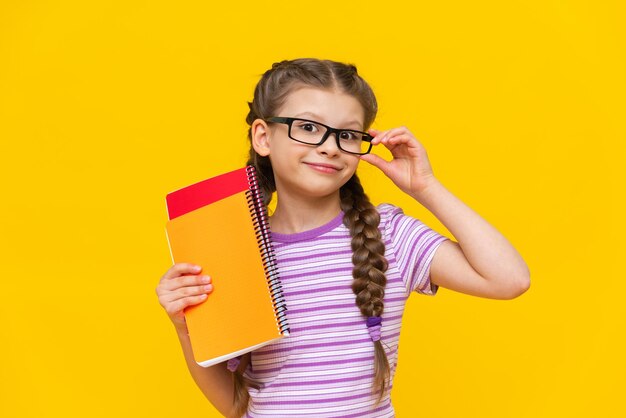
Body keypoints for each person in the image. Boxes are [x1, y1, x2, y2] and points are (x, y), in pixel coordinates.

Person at [156, 58, 530, 418]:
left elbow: (509, 279)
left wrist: (425, 187)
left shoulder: (391, 236)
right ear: (262, 136)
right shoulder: (236, 251)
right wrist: (186, 330)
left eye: (348, 134)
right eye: (308, 127)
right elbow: (237, 407)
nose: (330, 146)